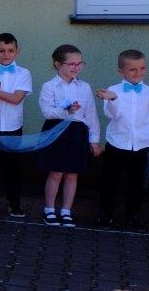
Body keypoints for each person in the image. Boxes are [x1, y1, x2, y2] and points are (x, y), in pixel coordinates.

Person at [36, 44, 102, 227]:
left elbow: (91, 114)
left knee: (72, 174)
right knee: (56, 172)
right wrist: (66, 111)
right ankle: (49, 209)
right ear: (58, 64)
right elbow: (46, 111)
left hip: (77, 133)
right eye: (71, 64)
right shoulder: (49, 86)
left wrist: (94, 140)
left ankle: (66, 211)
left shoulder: (85, 87)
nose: (76, 67)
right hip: (56, 130)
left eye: (80, 63)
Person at [96, 49, 149, 230]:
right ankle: (105, 214)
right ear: (121, 71)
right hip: (117, 142)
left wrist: (142, 132)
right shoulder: (113, 91)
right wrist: (113, 100)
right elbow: (111, 115)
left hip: (141, 144)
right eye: (132, 69)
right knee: (110, 180)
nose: (138, 73)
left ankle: (133, 215)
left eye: (142, 68)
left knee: (136, 182)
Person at [0, 33, 32, 218]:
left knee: (13, 168)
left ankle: (14, 203)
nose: (6, 54)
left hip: (13, 127)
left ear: (17, 52)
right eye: (1, 51)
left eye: (10, 50)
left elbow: (17, 99)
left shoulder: (24, 73)